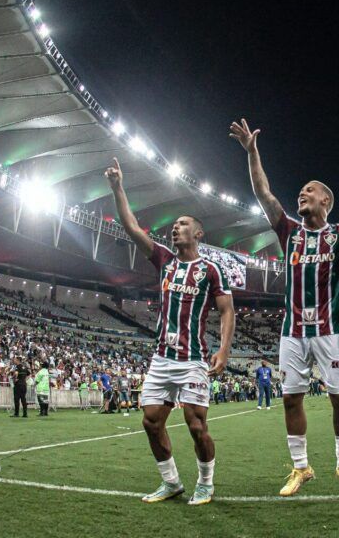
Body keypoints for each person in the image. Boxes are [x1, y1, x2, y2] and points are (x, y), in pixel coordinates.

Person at [231, 117, 339, 496]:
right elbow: (263, 193)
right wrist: (252, 151)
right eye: (301, 192)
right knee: (291, 398)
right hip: (292, 331)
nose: (301, 194)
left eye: (309, 191)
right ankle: (301, 468)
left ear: (326, 201)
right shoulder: (290, 232)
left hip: (330, 329)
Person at [108, 157, 235, 506]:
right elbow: (132, 227)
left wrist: (223, 350)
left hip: (193, 359)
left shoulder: (210, 270)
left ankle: (206, 484)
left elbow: (227, 310)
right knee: (151, 422)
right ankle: (172, 482)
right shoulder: (164, 259)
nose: (174, 228)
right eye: (174, 225)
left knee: (196, 426)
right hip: (162, 358)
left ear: (198, 233)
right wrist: (118, 187)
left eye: (182, 225)